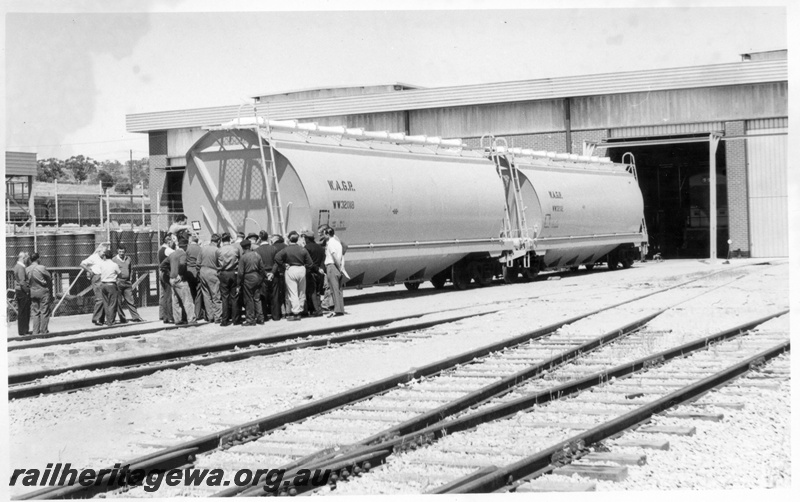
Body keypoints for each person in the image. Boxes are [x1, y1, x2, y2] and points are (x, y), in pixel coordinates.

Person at [273, 231, 313, 321]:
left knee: (293, 292)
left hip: (290, 269)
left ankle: (296, 312)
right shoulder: (302, 249)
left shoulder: (286, 249)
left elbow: (277, 257)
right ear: (297, 239)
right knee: (302, 291)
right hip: (301, 269)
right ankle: (301, 309)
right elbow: (310, 263)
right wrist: (304, 267)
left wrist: (284, 265)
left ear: (288, 239)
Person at [80, 242, 110, 326]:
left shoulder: (104, 258)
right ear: (99, 251)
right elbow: (82, 264)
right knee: (100, 299)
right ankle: (96, 318)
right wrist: (90, 271)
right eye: (104, 252)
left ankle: (101, 319)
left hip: (104, 277)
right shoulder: (93, 257)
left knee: (105, 299)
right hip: (97, 278)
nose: (105, 253)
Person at [320, 226, 347, 317]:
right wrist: (342, 267)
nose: (323, 236)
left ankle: (337, 310)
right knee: (339, 289)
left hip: (332, 266)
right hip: (338, 266)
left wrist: (338, 267)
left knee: (334, 289)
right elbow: (342, 256)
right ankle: (341, 309)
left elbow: (334, 256)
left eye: (324, 234)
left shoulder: (330, 244)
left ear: (327, 234)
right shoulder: (338, 243)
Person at [113, 246, 144, 322]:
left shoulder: (128, 259)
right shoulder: (114, 260)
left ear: (125, 252)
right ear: (117, 251)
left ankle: (136, 317)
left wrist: (130, 277)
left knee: (130, 300)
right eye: (120, 252)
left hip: (127, 282)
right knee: (119, 301)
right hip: (118, 282)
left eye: (123, 252)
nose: (121, 253)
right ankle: (122, 317)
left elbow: (130, 269)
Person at [170, 238, 196, 325]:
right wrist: (180, 274)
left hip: (172, 279)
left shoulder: (173, 254)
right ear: (186, 246)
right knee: (187, 299)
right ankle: (191, 319)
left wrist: (171, 274)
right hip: (180, 280)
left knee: (176, 301)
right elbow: (182, 264)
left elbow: (163, 265)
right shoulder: (183, 253)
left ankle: (177, 319)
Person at [238, 239, 264, 326]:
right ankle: (260, 318)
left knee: (249, 299)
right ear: (250, 246)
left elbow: (241, 272)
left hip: (248, 278)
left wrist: (238, 284)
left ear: (242, 248)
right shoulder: (257, 255)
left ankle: (250, 319)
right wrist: (261, 278)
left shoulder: (243, 257)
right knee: (257, 298)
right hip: (256, 277)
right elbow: (262, 268)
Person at [26, 252, 53, 335]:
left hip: (33, 291)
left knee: (35, 312)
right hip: (43, 291)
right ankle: (44, 331)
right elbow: (49, 277)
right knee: (44, 312)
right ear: (38, 259)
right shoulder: (42, 268)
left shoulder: (27, 269)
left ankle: (35, 331)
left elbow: (26, 281)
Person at [217, 232, 241, 326]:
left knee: (225, 297)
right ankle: (236, 319)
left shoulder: (219, 251)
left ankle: (225, 320)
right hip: (234, 272)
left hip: (223, 273)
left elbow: (217, 262)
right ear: (230, 239)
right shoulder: (235, 249)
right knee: (234, 297)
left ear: (222, 241)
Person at [198, 233, 222, 323]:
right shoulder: (217, 250)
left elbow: (198, 262)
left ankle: (210, 316)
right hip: (213, 272)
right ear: (219, 241)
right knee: (216, 295)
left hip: (203, 271)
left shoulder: (203, 248)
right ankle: (218, 317)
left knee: (206, 295)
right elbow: (221, 264)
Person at [301, 229, 325, 317]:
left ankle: (316, 310)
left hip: (310, 272)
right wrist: (321, 269)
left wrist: (316, 268)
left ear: (307, 238)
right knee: (318, 292)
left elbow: (308, 262)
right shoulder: (320, 247)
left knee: (311, 292)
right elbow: (323, 260)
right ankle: (318, 308)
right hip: (320, 272)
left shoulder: (307, 248)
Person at [96, 249, 121, 326]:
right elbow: (120, 274)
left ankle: (108, 320)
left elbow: (98, 273)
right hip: (111, 284)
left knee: (106, 304)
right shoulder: (114, 265)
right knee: (112, 304)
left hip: (103, 284)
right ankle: (111, 321)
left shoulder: (102, 264)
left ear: (105, 256)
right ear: (112, 256)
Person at [157, 234, 175, 324]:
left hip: (161, 273)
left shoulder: (160, 249)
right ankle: (170, 317)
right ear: (168, 241)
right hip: (166, 273)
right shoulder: (168, 250)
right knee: (169, 295)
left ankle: (164, 316)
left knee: (164, 295)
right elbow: (177, 255)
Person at [186, 233, 203, 319]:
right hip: (197, 271)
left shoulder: (187, 249)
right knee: (199, 292)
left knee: (191, 292)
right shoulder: (200, 248)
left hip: (189, 271)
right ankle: (198, 312)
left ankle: (192, 312)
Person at [13, 251, 31, 336]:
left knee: (21, 311)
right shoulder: (20, 267)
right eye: (26, 258)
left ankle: (22, 330)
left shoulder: (17, 266)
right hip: (22, 291)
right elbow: (22, 281)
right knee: (24, 311)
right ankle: (24, 331)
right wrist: (27, 291)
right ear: (22, 258)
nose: (27, 260)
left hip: (19, 290)